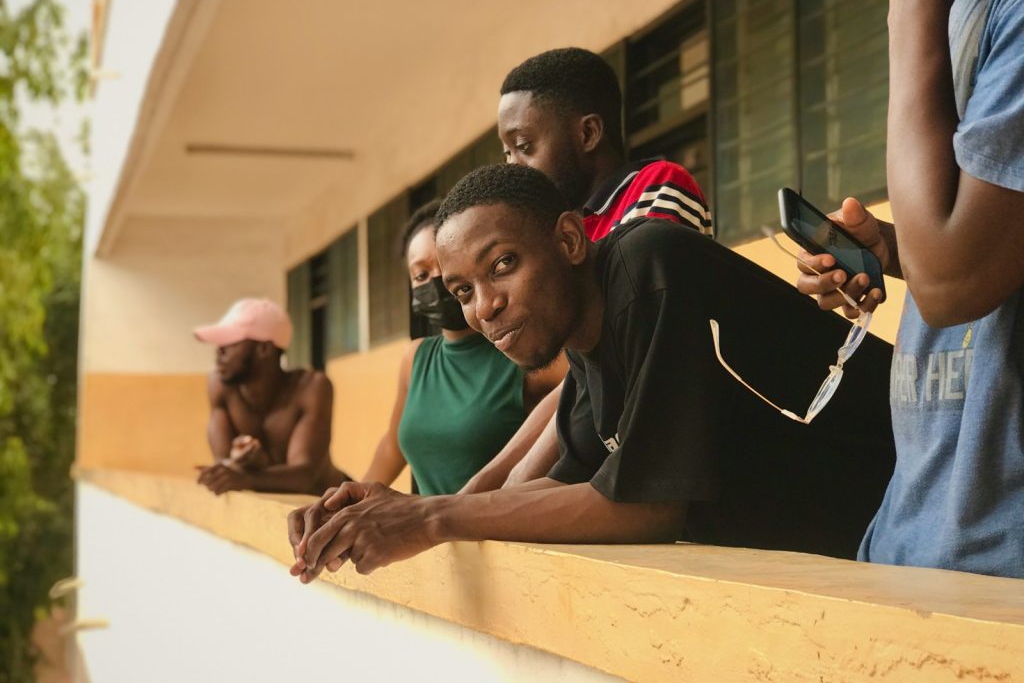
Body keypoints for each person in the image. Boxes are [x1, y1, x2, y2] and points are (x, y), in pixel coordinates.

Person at [285, 165, 894, 579]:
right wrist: (389, 508)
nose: (485, 307)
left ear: (571, 240)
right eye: (462, 289)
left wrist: (430, 517)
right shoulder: (586, 344)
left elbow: (644, 507)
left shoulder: (646, 264)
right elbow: (563, 488)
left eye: (503, 264)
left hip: (904, 527)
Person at [794, 0, 1024, 578]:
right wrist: (896, 252)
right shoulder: (965, 0)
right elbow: (981, 247)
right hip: (911, 540)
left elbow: (955, 285)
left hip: (997, 570)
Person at [462, 47, 714, 492]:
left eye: (525, 147)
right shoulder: (561, 230)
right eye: (506, 154)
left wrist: (498, 492)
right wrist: (479, 490)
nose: (513, 167)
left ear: (589, 133)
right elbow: (581, 373)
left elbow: (608, 352)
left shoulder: (658, 187)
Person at [359, 200, 565, 496]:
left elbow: (586, 383)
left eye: (442, 267)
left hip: (503, 535)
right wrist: (346, 504)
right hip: (429, 537)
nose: (434, 281)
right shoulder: (416, 357)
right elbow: (393, 446)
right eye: (420, 275)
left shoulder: (522, 350)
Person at [194, 298, 350, 495]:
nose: (219, 352)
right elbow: (225, 467)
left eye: (229, 343)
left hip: (335, 504)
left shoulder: (311, 387)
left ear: (264, 349)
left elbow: (306, 475)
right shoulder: (220, 385)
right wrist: (237, 466)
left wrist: (245, 477)